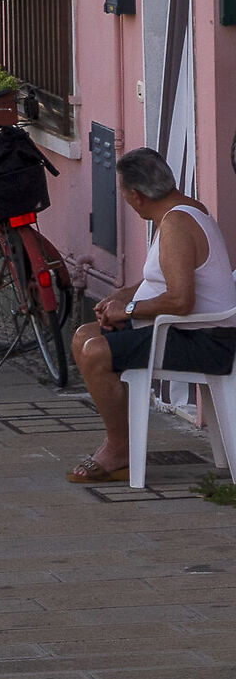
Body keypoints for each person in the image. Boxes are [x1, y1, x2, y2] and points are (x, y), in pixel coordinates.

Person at [68, 147, 236, 483]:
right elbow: (162, 278)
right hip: (186, 330)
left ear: (137, 196)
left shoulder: (176, 224)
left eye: (124, 194)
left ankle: (118, 449)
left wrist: (128, 309)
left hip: (205, 340)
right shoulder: (184, 209)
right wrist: (122, 296)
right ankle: (121, 440)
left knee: (96, 352)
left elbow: (180, 300)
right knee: (84, 336)